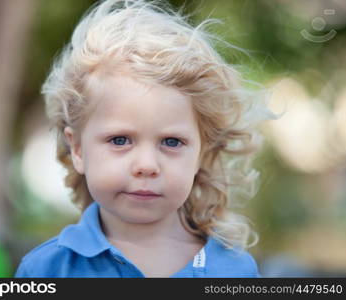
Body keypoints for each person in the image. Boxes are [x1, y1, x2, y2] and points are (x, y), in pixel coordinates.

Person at [15, 0, 276, 278]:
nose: (147, 165)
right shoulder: (48, 269)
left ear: (201, 153)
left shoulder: (234, 271)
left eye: (172, 142)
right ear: (77, 148)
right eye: (120, 140)